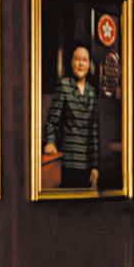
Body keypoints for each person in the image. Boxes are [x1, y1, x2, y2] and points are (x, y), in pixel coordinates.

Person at [43, 45, 99, 189]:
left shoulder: (92, 92)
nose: (81, 64)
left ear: (89, 65)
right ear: (72, 62)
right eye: (77, 59)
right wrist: (50, 142)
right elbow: (51, 122)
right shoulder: (64, 86)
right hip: (68, 161)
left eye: (84, 60)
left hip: (87, 163)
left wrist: (95, 166)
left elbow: (93, 132)